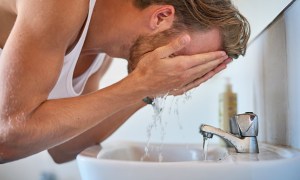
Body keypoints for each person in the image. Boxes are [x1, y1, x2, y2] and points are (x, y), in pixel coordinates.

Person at [0, 0, 250, 163]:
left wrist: (147, 93)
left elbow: (63, 149)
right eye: (188, 60)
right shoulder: (61, 4)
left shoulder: (101, 56)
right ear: (162, 16)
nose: (181, 71)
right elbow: (7, 139)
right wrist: (139, 84)